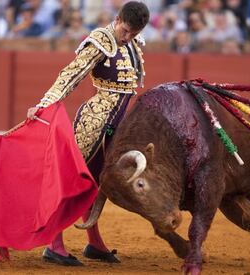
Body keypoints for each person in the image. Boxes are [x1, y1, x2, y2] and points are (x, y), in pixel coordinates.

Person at [26, 1, 150, 266]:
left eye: (134, 34)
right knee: (74, 181)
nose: (128, 37)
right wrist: (45, 104)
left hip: (118, 123)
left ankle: (94, 243)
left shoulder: (133, 44)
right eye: (126, 30)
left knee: (97, 185)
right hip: (94, 121)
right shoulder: (100, 40)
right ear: (117, 19)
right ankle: (54, 245)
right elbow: (71, 74)